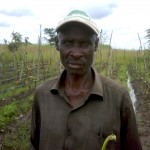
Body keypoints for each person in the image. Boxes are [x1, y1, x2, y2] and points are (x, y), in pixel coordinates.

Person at [29, 10, 142, 150]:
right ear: (57, 44)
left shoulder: (119, 98)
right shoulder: (42, 94)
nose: (76, 53)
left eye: (84, 44)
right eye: (68, 43)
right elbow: (34, 144)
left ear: (96, 45)